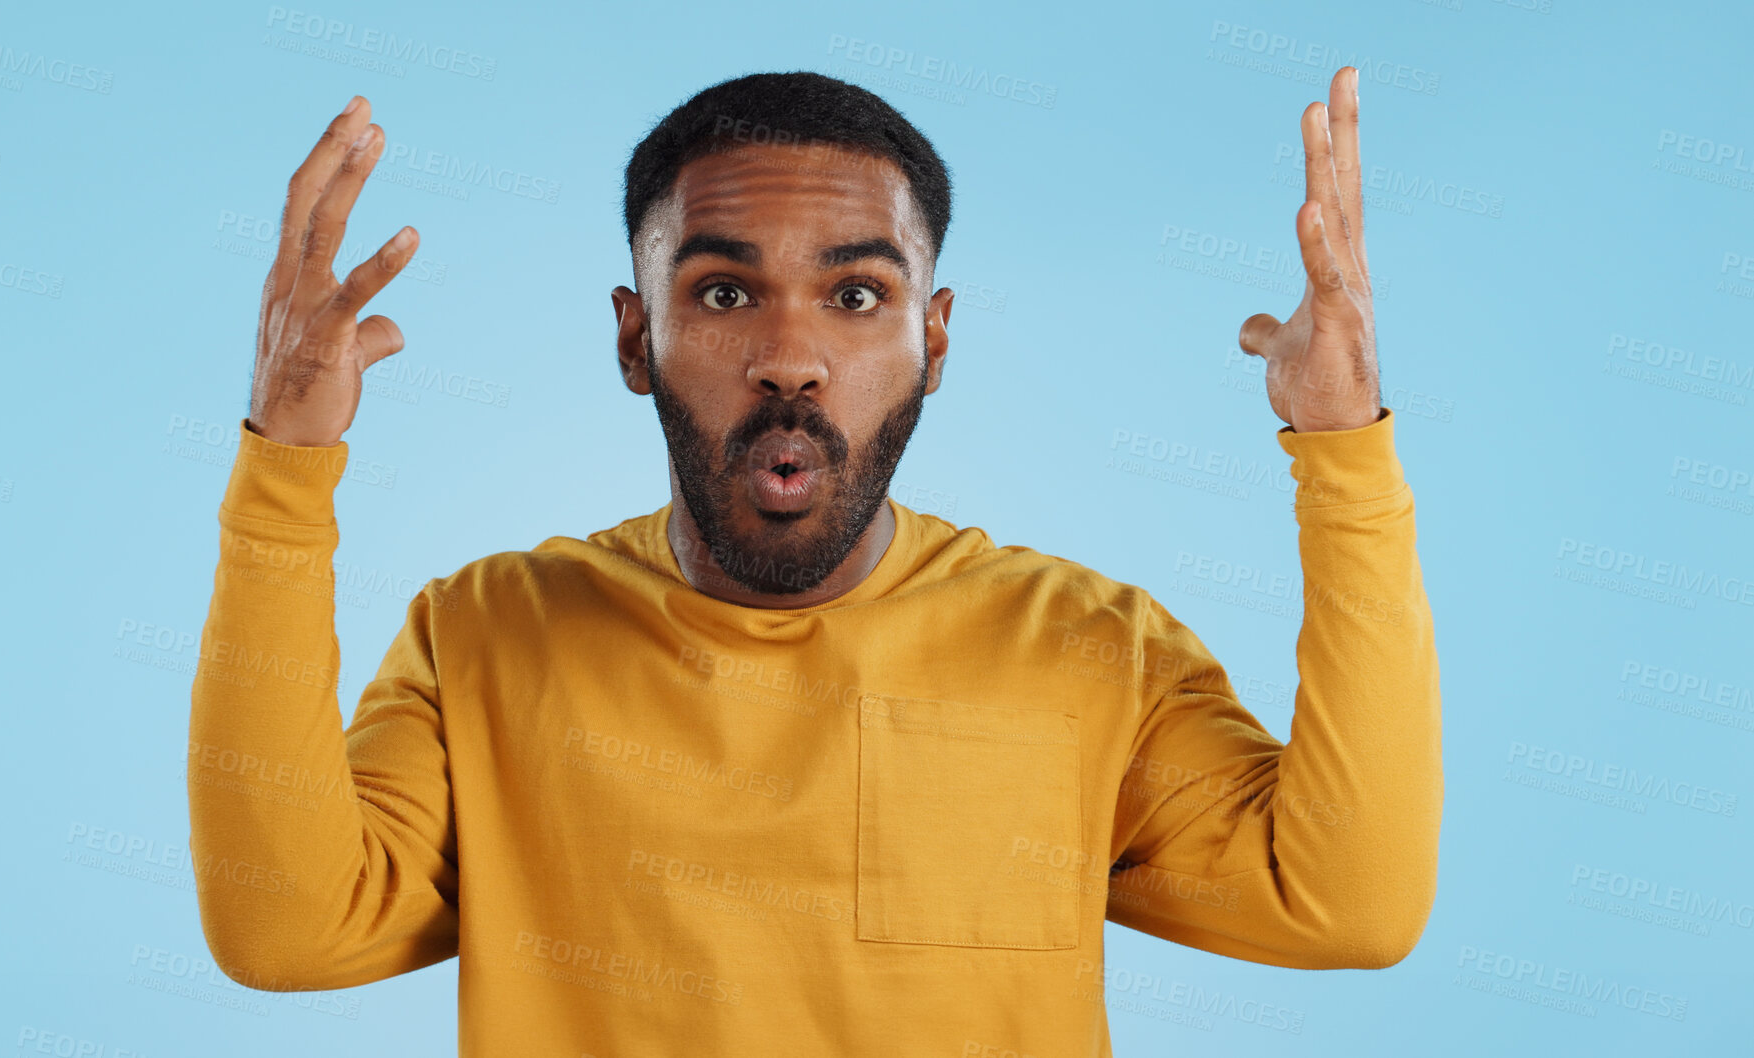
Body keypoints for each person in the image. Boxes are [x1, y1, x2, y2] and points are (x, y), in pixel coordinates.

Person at [188, 67, 1439, 1056]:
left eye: (855, 296)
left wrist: (1341, 455)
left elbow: (1345, 900)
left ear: (933, 339)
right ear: (636, 337)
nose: (790, 357)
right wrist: (284, 471)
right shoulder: (486, 634)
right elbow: (283, 923)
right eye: (725, 293)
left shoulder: (1084, 645)